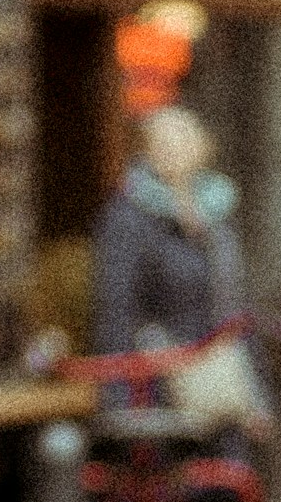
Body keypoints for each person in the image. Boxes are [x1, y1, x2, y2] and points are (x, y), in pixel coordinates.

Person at [89, 104, 253, 423]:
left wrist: (256, 394)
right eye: (162, 141)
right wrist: (118, 399)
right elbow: (114, 308)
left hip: (217, 376)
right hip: (156, 382)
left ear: (203, 148)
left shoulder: (216, 213)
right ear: (146, 150)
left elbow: (234, 305)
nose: (173, 149)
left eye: (182, 139)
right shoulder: (127, 216)